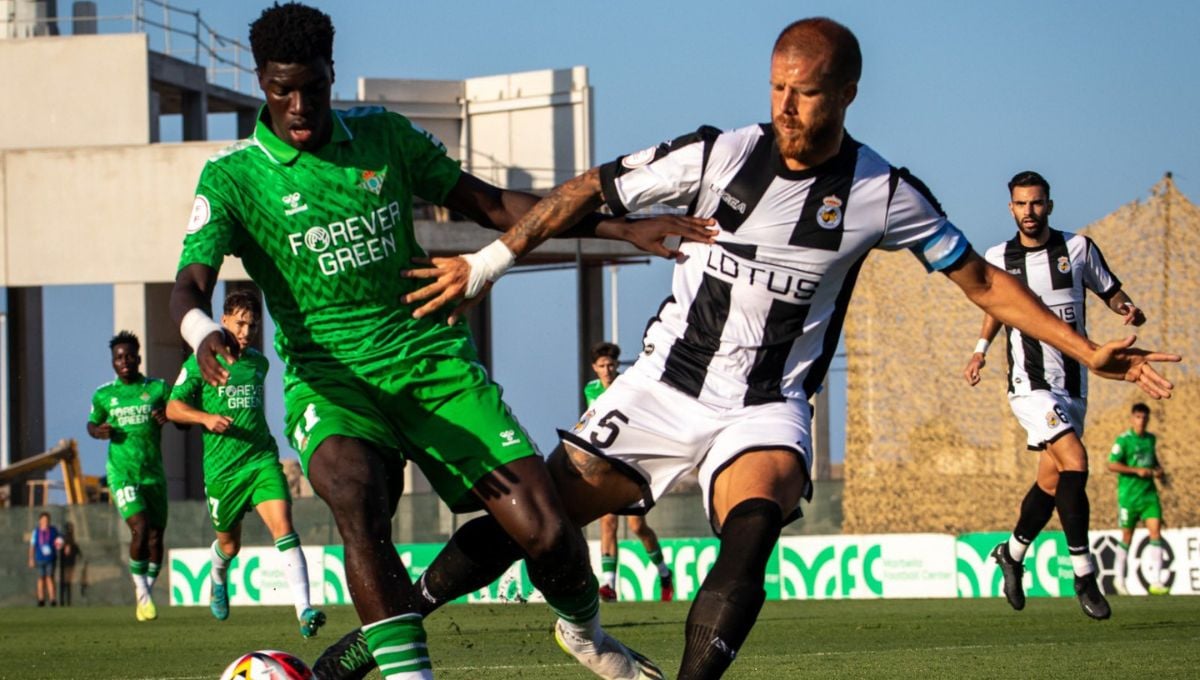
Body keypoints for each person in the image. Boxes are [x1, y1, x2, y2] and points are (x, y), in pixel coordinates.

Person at [395, 17, 1179, 679]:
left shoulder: (882, 192)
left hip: (766, 405)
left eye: (804, 92)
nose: (786, 107)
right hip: (663, 386)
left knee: (752, 533)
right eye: (777, 88)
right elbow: (582, 191)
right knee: (531, 518)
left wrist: (1084, 349)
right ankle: (385, 633)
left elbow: (981, 280)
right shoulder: (719, 155)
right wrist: (484, 265)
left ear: (846, 94)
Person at [169, 4, 710, 679]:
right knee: (353, 494)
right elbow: (187, 286)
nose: (299, 106)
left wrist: (618, 228)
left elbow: (494, 205)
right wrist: (201, 330)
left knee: (545, 530)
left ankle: (588, 637)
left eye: (313, 86)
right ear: (261, 82)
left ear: (333, 72)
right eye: (283, 90)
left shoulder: (384, 136)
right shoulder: (233, 178)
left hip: (432, 364)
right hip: (333, 385)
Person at [963, 170, 1147, 620]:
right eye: (1021, 204)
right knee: (1076, 460)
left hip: (1074, 381)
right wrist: (980, 349)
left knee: (1051, 481)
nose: (1029, 211)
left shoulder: (1078, 248)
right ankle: (1084, 575)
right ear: (1011, 208)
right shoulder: (999, 257)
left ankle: (1011, 553)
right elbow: (995, 306)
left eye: (1036, 202)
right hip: (1030, 385)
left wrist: (1127, 308)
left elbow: (1110, 291)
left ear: (1049, 204)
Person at [166, 289, 326, 636]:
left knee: (284, 527)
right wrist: (206, 418)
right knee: (229, 545)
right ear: (223, 320)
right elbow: (172, 407)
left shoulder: (258, 363)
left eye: (252, 325)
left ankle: (304, 610)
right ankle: (218, 575)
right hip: (223, 471)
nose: (246, 332)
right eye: (240, 324)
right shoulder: (201, 361)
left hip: (261, 459)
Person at [87, 331, 169, 622]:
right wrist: (98, 431)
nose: (124, 362)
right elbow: (91, 425)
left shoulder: (158, 388)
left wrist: (168, 416)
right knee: (140, 527)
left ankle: (145, 591)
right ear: (113, 362)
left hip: (153, 475)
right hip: (121, 473)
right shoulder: (104, 395)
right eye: (118, 358)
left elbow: (181, 419)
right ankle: (142, 594)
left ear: (138, 358)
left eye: (129, 356)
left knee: (156, 537)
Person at [586, 342, 674, 603]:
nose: (607, 370)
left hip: (630, 462)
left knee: (637, 526)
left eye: (611, 365)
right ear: (594, 368)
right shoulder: (590, 390)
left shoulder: (628, 386)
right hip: (606, 464)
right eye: (602, 365)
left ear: (616, 365)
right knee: (608, 522)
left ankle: (664, 574)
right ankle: (609, 586)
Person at [1107, 403, 1169, 595]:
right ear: (1132, 418)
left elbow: (1153, 461)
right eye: (1138, 417)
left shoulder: (1150, 439)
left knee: (1156, 533)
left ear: (1148, 419)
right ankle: (1119, 579)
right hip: (1129, 497)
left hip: (1149, 495)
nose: (1141, 421)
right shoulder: (1124, 440)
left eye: (1144, 417)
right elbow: (1111, 465)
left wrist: (1158, 471)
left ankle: (1156, 581)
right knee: (1127, 537)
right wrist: (1136, 470)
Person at [28, 511, 59, 607]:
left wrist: (63, 545)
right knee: (41, 578)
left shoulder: (53, 530)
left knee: (50, 577)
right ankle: (41, 599)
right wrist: (31, 559)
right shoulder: (36, 532)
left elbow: (59, 540)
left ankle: (52, 600)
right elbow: (32, 546)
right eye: (43, 520)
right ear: (40, 521)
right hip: (40, 558)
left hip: (50, 558)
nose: (45, 522)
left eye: (47, 520)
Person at [58, 521, 80, 606]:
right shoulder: (63, 539)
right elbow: (58, 548)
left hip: (70, 563)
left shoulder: (72, 540)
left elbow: (77, 551)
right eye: (69, 529)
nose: (70, 531)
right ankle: (63, 601)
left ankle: (67, 601)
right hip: (64, 563)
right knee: (64, 582)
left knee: (67, 582)